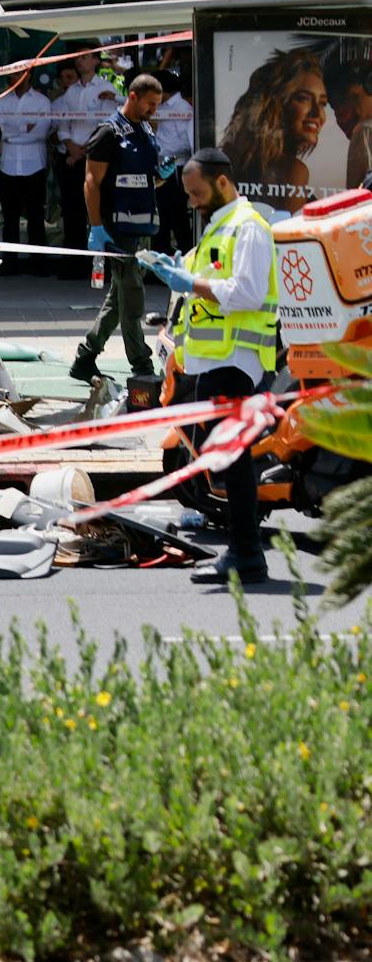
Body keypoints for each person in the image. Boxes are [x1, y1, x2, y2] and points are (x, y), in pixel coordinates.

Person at [139, 147, 278, 585]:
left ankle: (246, 556)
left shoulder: (249, 228)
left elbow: (248, 293)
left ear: (222, 182)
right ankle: (244, 553)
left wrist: (190, 281)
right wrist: (175, 270)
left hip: (237, 361)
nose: (192, 202)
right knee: (222, 457)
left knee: (230, 459)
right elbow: (205, 281)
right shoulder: (220, 227)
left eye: (198, 193)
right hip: (215, 363)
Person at [70, 74, 168, 383]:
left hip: (138, 228)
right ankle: (142, 365)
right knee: (132, 297)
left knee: (119, 297)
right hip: (116, 229)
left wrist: (163, 175)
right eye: (151, 103)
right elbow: (91, 182)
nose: (154, 109)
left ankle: (86, 356)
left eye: (158, 105)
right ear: (134, 96)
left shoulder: (144, 130)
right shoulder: (108, 133)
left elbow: (146, 180)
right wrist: (97, 228)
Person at [219, 47, 328, 215]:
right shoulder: (291, 170)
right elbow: (290, 237)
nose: (317, 113)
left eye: (322, 103)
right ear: (274, 103)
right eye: (303, 98)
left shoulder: (235, 159)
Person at [55, 51, 120, 254]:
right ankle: (75, 263)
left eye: (84, 57)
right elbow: (63, 125)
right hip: (73, 157)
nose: (79, 61)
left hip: (98, 159)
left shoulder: (106, 88)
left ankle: (105, 262)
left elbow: (109, 125)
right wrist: (72, 148)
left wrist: (85, 150)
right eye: (77, 58)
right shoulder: (71, 92)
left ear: (95, 61)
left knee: (101, 211)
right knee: (72, 210)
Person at [0, 72, 54, 269]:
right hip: (8, 165)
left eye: (20, 74)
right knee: (10, 216)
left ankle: (39, 263)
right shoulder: (3, 102)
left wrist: (12, 133)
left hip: (34, 165)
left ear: (29, 76)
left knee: (36, 215)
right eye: (13, 74)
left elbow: (41, 133)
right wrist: (24, 128)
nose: (15, 77)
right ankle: (9, 262)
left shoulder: (42, 102)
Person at [152, 71, 195, 256]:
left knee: (177, 217)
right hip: (160, 167)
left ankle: (187, 258)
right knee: (159, 216)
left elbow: (187, 143)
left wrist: (164, 152)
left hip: (175, 168)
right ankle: (159, 261)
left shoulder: (182, 108)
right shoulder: (161, 108)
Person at [324, 60, 372, 189]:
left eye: (341, 112)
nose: (341, 122)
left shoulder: (364, 130)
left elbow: (352, 197)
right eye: (336, 113)